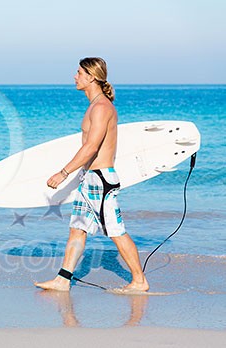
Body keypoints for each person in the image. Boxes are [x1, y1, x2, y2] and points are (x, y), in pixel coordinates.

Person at [34, 57, 149, 292]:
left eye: (78, 73)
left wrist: (63, 173)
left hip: (101, 180)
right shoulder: (94, 106)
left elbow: (91, 147)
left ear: (91, 77)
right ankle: (63, 279)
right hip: (89, 179)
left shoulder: (101, 108)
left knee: (116, 231)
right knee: (77, 227)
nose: (74, 77)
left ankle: (139, 280)